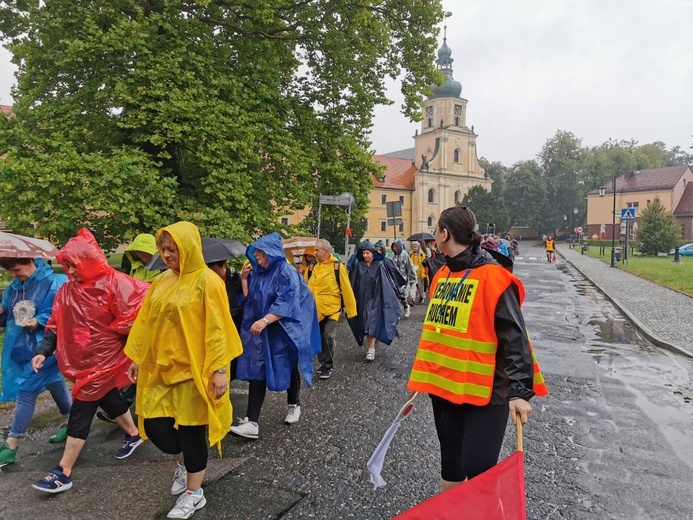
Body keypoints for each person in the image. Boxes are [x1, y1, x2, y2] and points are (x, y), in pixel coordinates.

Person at [407, 206, 548, 492]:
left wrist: (519, 391)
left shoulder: (493, 277)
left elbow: (514, 336)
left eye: (436, 231)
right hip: (445, 387)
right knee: (452, 463)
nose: (434, 236)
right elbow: (438, 334)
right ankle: (453, 511)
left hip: (487, 391)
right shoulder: (442, 275)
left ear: (445, 234)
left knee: (479, 468)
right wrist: (423, 378)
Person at [124, 221, 243, 520]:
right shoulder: (162, 281)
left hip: (195, 371)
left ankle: (194, 493)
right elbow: (146, 322)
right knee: (154, 427)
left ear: (187, 247)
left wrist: (219, 370)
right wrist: (137, 357)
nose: (166, 255)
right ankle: (185, 464)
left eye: (172, 249)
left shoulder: (208, 281)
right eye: (163, 249)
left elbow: (218, 329)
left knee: (192, 432)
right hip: (162, 369)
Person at [30, 228, 150, 494]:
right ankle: (133, 434)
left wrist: (127, 345)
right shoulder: (67, 291)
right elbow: (55, 325)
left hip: (107, 360)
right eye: (67, 266)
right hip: (84, 361)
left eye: (75, 265)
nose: (71, 271)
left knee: (81, 410)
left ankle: (63, 471)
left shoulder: (114, 283)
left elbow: (138, 315)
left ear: (88, 260)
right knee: (108, 398)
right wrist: (43, 351)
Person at [230, 233, 321, 440]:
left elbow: (287, 302)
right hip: (265, 329)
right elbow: (251, 298)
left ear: (271, 253)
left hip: (284, 328)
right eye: (256, 253)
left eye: (260, 253)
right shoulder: (258, 273)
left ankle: (294, 404)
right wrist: (244, 279)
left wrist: (264, 321)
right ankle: (252, 422)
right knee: (258, 369)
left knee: (288, 364)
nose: (257, 257)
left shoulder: (285, 272)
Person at [0, 258, 70, 467]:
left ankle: (12, 443)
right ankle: (72, 420)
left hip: (47, 347)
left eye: (16, 269)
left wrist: (39, 321)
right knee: (54, 381)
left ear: (29, 261)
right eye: (9, 271)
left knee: (26, 389)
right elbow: (8, 314)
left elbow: (61, 314)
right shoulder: (14, 288)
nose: (14, 275)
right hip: (21, 348)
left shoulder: (55, 282)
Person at [306, 239, 357, 380]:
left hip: (332, 310)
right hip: (315, 310)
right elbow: (304, 289)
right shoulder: (312, 268)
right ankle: (324, 363)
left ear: (326, 251)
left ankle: (328, 365)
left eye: (317, 250)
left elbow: (346, 289)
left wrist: (351, 310)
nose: (314, 253)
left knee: (328, 335)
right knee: (319, 337)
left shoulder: (337, 267)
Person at [347, 241, 405, 361]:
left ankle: (371, 349)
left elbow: (386, 283)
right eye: (363, 253)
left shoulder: (379, 265)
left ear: (373, 253)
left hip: (376, 299)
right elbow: (353, 283)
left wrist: (392, 300)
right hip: (362, 299)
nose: (365, 256)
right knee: (364, 324)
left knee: (370, 322)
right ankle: (370, 346)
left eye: (367, 253)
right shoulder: (359, 266)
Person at [390, 240, 417, 318]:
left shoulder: (405, 255)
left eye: (396, 246)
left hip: (404, 278)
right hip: (395, 278)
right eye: (394, 247)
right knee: (396, 296)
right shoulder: (392, 256)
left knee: (403, 296)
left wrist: (412, 278)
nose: (395, 248)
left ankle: (406, 307)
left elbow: (409, 266)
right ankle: (398, 312)